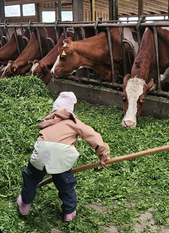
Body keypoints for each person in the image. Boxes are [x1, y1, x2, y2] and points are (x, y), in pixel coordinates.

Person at [18, 91, 110, 222]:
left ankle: (25, 205)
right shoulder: (73, 122)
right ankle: (69, 213)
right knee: (65, 183)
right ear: (70, 111)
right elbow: (93, 136)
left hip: (43, 151)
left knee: (31, 177)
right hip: (62, 154)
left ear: (54, 109)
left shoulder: (48, 121)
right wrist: (103, 154)